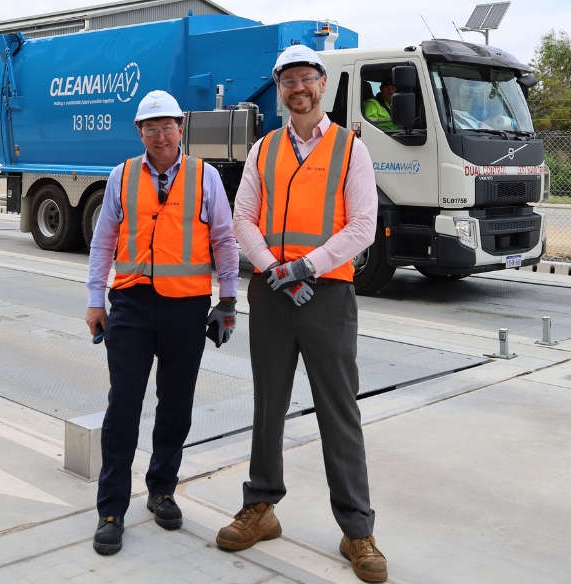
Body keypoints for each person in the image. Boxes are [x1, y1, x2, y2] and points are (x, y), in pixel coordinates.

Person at [214, 46, 388, 582]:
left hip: (326, 297)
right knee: (268, 405)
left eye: (307, 79)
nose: (299, 88)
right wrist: (272, 269)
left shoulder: (349, 149)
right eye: (288, 80)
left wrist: (305, 268)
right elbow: (243, 217)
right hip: (271, 293)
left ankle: (357, 530)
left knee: (339, 412)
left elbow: (362, 225)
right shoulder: (264, 148)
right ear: (279, 88)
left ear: (322, 83)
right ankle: (261, 507)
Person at [86, 89, 240, 555]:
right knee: (123, 407)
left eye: (167, 125)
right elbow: (104, 240)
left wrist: (228, 301)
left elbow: (225, 240)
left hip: (186, 308)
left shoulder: (205, 176)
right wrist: (96, 300)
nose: (159, 134)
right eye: (149, 127)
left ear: (181, 129)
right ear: (139, 132)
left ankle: (162, 490)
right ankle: (111, 509)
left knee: (175, 406)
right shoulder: (122, 175)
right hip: (131, 304)